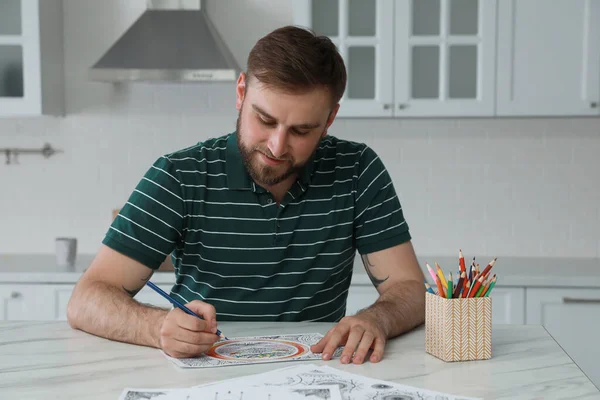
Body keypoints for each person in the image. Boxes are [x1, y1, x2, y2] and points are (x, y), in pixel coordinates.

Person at [67, 25, 425, 365]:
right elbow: (86, 300)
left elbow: (410, 288)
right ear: (241, 93)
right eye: (265, 120)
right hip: (201, 373)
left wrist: (376, 319)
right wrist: (159, 327)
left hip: (316, 372)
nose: (277, 145)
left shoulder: (357, 169)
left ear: (330, 119)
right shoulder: (179, 175)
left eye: (301, 130)